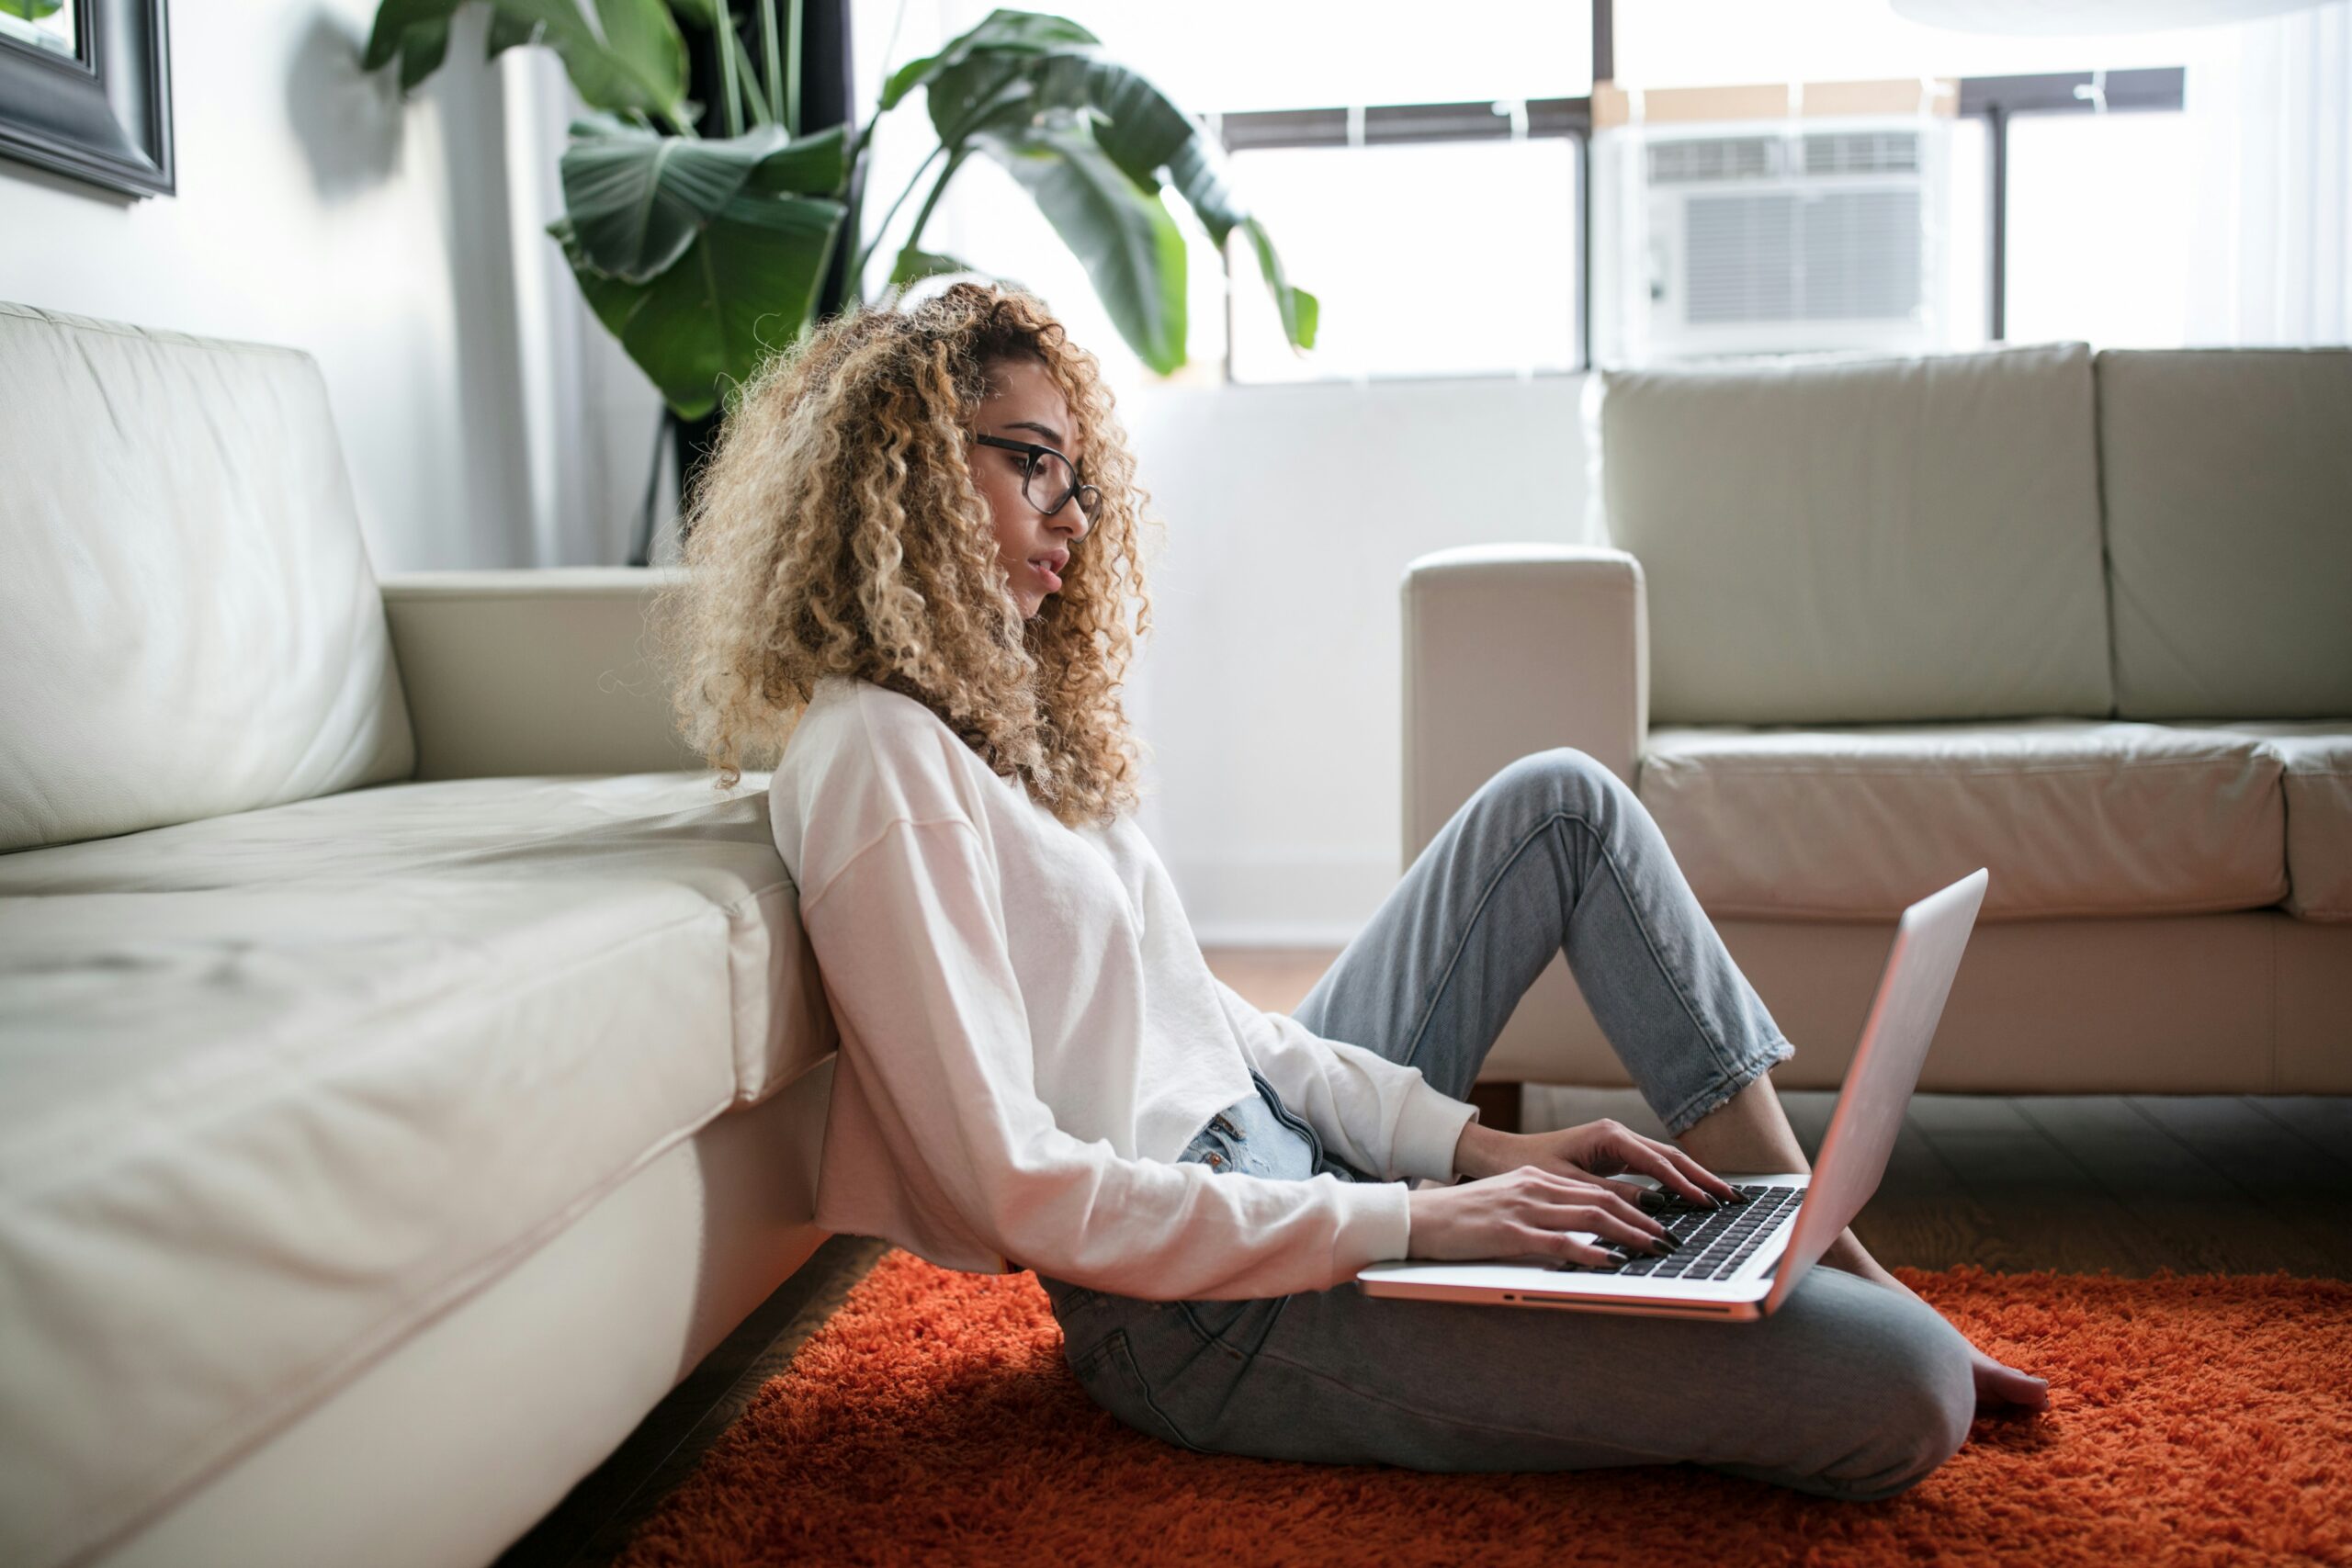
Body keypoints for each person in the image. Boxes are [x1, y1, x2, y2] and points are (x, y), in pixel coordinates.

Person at [653, 281, 2047, 1503]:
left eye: (1078, 473)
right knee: (1909, 1391)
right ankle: (1814, 1293)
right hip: (1196, 1313)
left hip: (1280, 1161)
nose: (1071, 514)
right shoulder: (873, 760)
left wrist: (1467, 1153)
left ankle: (1796, 1230)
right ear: (901, 472)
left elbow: (1214, 1023)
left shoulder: (1003, 724)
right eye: (1032, 464)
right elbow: (1016, 1187)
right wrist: (1411, 1220)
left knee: (1560, 799)